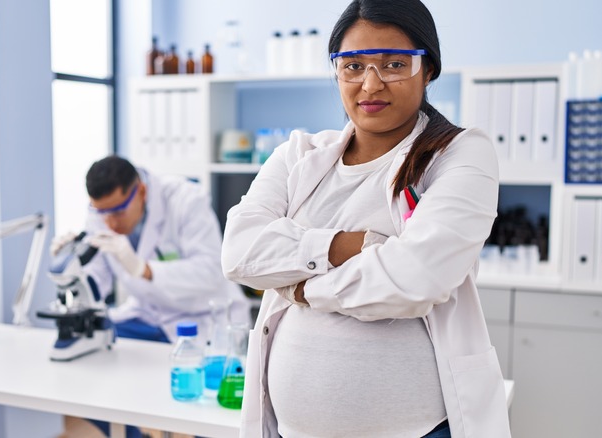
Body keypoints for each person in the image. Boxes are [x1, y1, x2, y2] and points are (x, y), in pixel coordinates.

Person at [221, 1, 512, 437]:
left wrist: (298, 285)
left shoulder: (460, 154)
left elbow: (415, 280)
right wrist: (351, 246)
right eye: (352, 66)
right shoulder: (297, 154)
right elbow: (240, 253)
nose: (370, 84)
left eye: (395, 64)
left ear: (427, 69)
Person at [52, 155, 250, 343]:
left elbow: (211, 271)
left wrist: (145, 270)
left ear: (141, 192)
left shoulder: (186, 200)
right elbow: (99, 279)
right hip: (146, 316)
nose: (110, 223)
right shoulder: (101, 212)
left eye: (118, 212)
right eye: (101, 212)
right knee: (95, 347)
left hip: (202, 317)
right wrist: (74, 270)